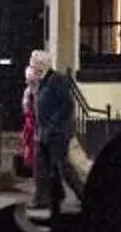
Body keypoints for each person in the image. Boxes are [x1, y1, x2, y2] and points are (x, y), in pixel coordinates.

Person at [28, 46, 81, 218]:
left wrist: (52, 124)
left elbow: (67, 104)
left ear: (42, 64)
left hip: (58, 132)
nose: (31, 66)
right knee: (41, 166)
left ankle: (84, 195)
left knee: (63, 166)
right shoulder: (42, 81)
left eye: (34, 63)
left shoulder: (57, 79)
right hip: (44, 132)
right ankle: (41, 199)